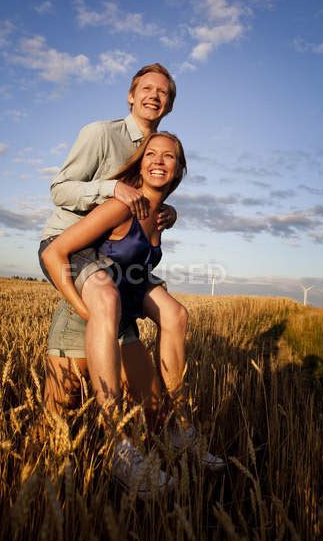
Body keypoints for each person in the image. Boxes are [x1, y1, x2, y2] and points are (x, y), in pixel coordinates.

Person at [41, 133, 225, 498]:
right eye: (150, 154)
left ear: (178, 169)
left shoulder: (157, 214)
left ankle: (180, 434)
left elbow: (137, 272)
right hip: (83, 322)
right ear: (139, 163)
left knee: (157, 404)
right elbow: (54, 254)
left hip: (119, 323)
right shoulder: (120, 206)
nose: (158, 161)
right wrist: (88, 312)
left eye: (168, 156)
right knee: (54, 430)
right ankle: (95, 465)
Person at [39, 64, 187, 422]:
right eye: (146, 88)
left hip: (116, 259)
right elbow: (59, 190)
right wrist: (112, 188)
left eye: (162, 92)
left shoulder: (155, 147)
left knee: (174, 313)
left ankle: (180, 423)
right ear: (130, 95)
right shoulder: (101, 134)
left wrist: (167, 210)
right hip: (73, 245)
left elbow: (149, 195)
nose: (154, 96)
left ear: (168, 105)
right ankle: (115, 438)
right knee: (57, 424)